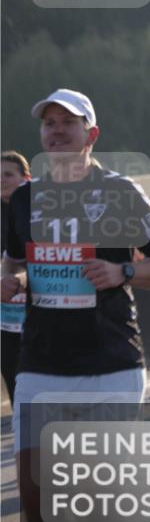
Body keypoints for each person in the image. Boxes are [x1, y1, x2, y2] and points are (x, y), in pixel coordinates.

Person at [2, 88, 150, 522]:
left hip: (111, 361)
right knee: (36, 498)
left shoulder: (121, 192)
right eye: (49, 123)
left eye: (69, 122)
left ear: (91, 134)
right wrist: (13, 281)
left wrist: (124, 271)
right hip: (41, 362)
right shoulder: (24, 198)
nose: (57, 130)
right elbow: (13, 263)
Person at [1, 151, 30, 402]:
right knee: (11, 372)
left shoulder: (41, 208)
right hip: (6, 315)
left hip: (42, 313)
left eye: (8, 174)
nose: (2, 180)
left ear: (26, 177)